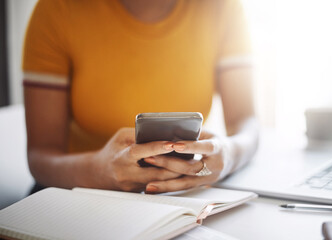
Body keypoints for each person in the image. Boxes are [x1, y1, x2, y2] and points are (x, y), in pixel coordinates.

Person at [23, 0, 258, 194]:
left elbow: (246, 122)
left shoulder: (222, 7)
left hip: (179, 197)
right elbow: (41, 157)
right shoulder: (58, 9)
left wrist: (228, 154)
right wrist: (98, 171)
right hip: (77, 193)